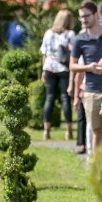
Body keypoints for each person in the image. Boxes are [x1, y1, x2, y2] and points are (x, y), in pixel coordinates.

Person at [70, 0, 102, 152]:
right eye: (81, 17)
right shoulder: (79, 39)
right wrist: (88, 67)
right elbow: (72, 65)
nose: (83, 20)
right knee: (97, 132)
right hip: (91, 92)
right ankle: (97, 169)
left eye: (86, 16)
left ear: (96, 14)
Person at [40, 9, 76, 141]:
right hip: (64, 68)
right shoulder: (70, 34)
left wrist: (43, 71)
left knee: (49, 98)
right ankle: (69, 131)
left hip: (49, 67)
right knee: (65, 99)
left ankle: (46, 130)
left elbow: (44, 53)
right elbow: (74, 54)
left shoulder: (48, 33)